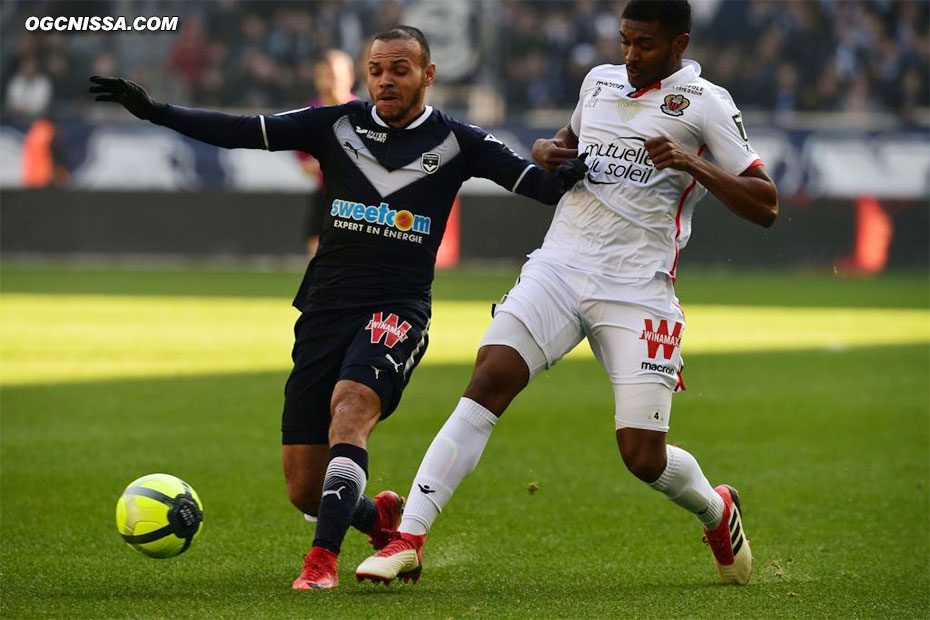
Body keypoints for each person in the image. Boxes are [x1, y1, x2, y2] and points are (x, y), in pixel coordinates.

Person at [88, 25, 586, 591]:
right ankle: (377, 518)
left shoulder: (458, 140)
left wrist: (569, 170)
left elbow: (539, 185)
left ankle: (320, 561)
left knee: (350, 409)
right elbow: (241, 132)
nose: (385, 80)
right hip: (325, 309)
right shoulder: (336, 124)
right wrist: (157, 112)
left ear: (427, 74)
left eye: (399, 69)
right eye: (376, 69)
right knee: (304, 487)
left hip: (397, 308)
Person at [356, 0, 778, 587]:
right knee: (488, 380)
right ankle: (410, 539)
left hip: (637, 289)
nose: (630, 55)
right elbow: (564, 143)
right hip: (558, 266)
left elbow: (766, 204)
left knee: (642, 456)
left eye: (645, 45)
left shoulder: (707, 104)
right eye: (625, 41)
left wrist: (691, 163)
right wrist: (548, 153)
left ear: (679, 44)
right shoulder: (599, 81)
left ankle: (716, 509)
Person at [295, 50, 358, 258]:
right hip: (326, 196)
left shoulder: (365, 113)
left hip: (361, 199)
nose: (330, 82)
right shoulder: (308, 115)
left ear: (350, 77)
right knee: (317, 257)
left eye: (334, 75)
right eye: (325, 75)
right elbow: (305, 166)